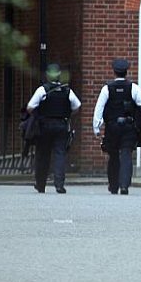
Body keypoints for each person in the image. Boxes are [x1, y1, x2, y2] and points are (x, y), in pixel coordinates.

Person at [93, 57, 141, 195]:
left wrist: (97, 127)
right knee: (126, 155)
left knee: (113, 155)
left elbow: (99, 108)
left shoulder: (107, 88)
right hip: (128, 126)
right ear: (126, 71)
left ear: (114, 71)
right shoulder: (133, 88)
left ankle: (113, 186)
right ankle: (124, 186)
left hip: (112, 126)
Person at [26, 63, 81, 194]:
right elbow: (77, 106)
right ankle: (59, 184)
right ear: (59, 76)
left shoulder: (42, 90)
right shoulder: (67, 91)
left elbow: (30, 107)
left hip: (44, 125)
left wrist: (39, 114)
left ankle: (40, 184)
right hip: (62, 125)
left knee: (42, 154)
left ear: (47, 75)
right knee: (60, 154)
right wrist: (66, 114)